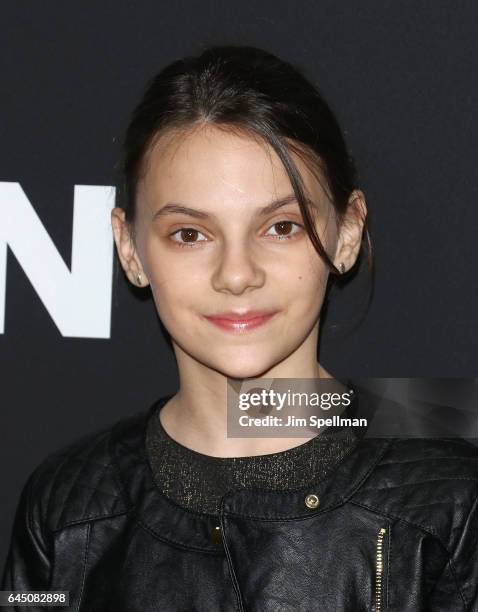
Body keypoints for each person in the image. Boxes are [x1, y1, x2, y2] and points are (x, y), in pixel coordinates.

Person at [2, 45, 478, 612]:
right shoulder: (66, 508)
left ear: (348, 232)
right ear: (129, 249)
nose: (236, 274)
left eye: (281, 227)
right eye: (189, 234)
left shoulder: (450, 497)